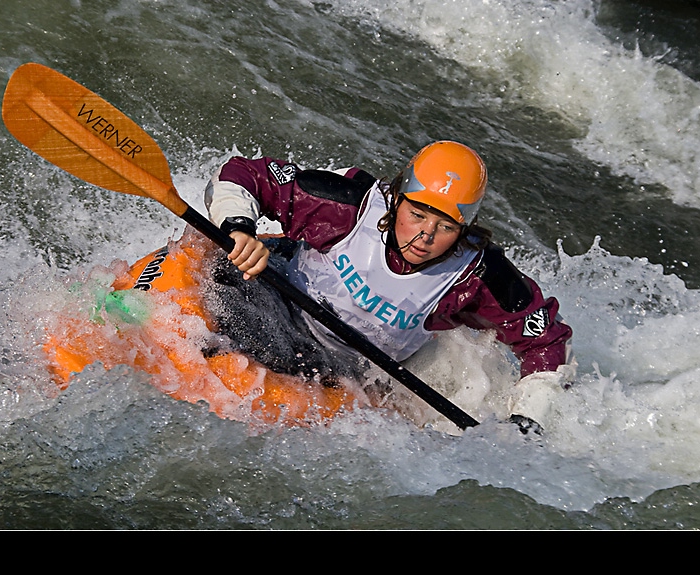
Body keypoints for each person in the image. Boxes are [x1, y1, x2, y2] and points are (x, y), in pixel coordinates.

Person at [203, 140, 573, 432]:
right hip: (277, 301)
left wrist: (527, 420)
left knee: (299, 360)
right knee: (234, 301)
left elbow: (546, 342)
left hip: (344, 367)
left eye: (445, 227)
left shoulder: (475, 276)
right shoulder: (348, 206)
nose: (425, 235)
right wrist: (238, 229)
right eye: (416, 215)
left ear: (465, 229)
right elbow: (246, 174)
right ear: (397, 199)